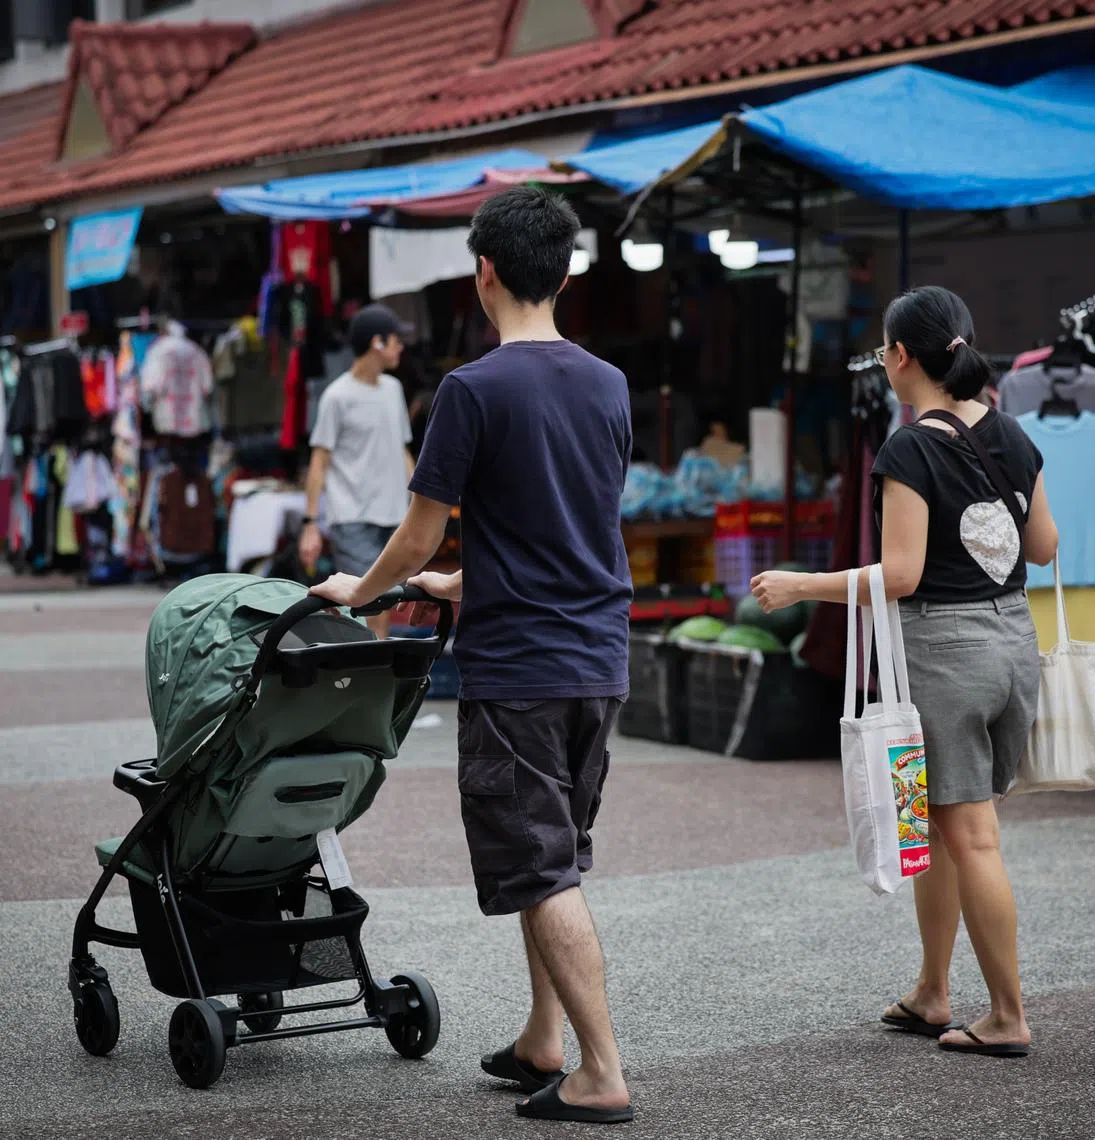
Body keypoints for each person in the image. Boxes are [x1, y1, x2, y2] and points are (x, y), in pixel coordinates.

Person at [310, 186, 635, 1124]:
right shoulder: (608, 383)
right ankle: (545, 1036)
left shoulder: (472, 389)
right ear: (566, 272)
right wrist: (464, 584)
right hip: (596, 653)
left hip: (520, 666)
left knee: (537, 868)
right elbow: (565, 524)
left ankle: (602, 1070)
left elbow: (415, 538)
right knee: (559, 855)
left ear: (482, 272)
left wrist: (360, 591)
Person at [753, 286, 1058, 1059]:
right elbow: (1045, 546)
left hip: (946, 654)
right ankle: (932, 989)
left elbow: (899, 575)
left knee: (972, 836)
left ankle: (1007, 1016)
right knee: (951, 824)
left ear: (898, 356)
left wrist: (800, 585)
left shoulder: (909, 448)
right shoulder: (1016, 434)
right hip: (1011, 644)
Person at [299, 303, 415, 636]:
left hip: (394, 516)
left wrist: (421, 502)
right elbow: (319, 460)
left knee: (388, 604)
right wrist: (310, 524)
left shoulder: (393, 390)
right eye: (395, 340)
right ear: (377, 343)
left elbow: (402, 452)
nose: (400, 347)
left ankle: (379, 678)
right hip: (353, 518)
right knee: (366, 606)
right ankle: (373, 680)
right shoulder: (337, 397)